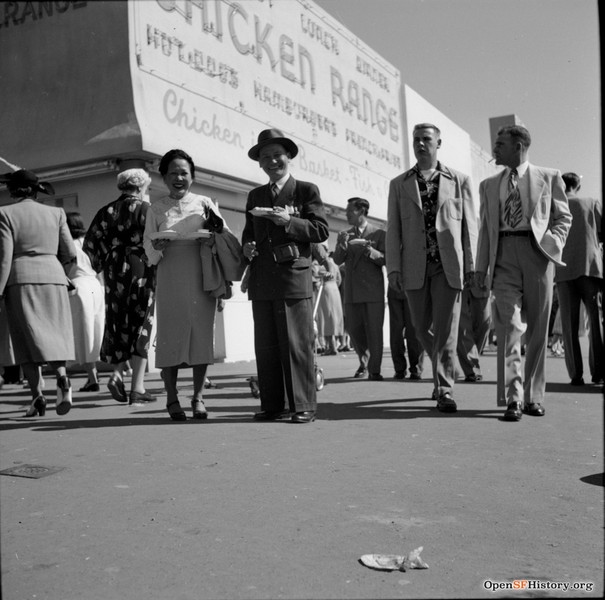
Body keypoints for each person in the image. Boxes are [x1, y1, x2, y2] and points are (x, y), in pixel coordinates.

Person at [475, 125, 572, 421]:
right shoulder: (489, 185)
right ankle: (513, 398)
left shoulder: (550, 176)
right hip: (502, 256)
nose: (495, 149)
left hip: (538, 257)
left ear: (518, 147)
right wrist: (481, 268)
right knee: (508, 329)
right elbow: (484, 231)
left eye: (500, 144)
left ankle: (534, 396)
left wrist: (551, 244)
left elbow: (562, 218)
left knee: (539, 331)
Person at [386, 123, 477, 412]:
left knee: (447, 330)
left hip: (448, 266)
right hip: (414, 266)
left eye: (427, 139)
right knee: (420, 327)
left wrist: (472, 266)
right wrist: (394, 269)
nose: (420, 144)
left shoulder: (459, 180)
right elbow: (394, 231)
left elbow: (470, 228)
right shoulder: (399, 183)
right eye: (416, 139)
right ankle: (441, 377)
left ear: (439, 143)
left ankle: (445, 389)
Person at [242, 128, 329, 423]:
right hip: (262, 278)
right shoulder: (255, 195)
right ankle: (272, 405)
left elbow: (320, 230)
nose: (272, 161)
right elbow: (248, 234)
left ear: (288, 157)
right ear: (260, 163)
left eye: (277, 155)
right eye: (265, 157)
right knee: (266, 345)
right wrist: (247, 246)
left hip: (293, 277)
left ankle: (303, 405)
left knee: (296, 344)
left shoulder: (306, 190)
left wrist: (289, 221)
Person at [144, 149, 226, 421]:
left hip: (202, 273)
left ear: (192, 176)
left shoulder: (205, 203)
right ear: (164, 177)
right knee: (170, 336)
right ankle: (171, 398)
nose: (179, 178)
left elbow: (223, 238)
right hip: (169, 274)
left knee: (202, 335)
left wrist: (211, 239)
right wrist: (157, 246)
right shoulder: (155, 208)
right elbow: (148, 251)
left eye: (184, 173)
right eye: (173, 173)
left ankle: (199, 397)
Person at [0, 169, 76, 417]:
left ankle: (37, 396)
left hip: (20, 278)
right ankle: (62, 378)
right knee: (55, 332)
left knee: (25, 341)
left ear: (13, 191)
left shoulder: (5, 213)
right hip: (53, 276)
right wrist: (62, 272)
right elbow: (70, 253)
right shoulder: (56, 213)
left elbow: (4, 257)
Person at [84, 168, 157, 407]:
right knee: (141, 323)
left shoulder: (106, 212)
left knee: (118, 322)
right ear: (141, 186)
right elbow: (158, 239)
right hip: (141, 269)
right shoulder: (148, 210)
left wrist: (103, 261)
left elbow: (91, 245)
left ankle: (117, 373)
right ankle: (137, 388)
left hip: (115, 271)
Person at [554, 172, 603, 385]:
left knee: (569, 324)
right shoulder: (591, 203)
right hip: (590, 268)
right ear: (578, 185)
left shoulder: (554, 206)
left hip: (563, 272)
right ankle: (599, 371)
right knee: (595, 322)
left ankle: (575, 374)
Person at [333, 197, 386, 380]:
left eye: (350, 211)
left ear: (361, 211)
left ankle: (374, 369)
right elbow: (337, 260)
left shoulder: (379, 234)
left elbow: (386, 260)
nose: (346, 214)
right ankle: (364, 361)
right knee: (354, 330)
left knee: (374, 331)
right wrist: (341, 244)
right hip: (352, 291)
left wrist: (371, 252)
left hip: (373, 290)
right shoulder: (345, 234)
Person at [65, 212, 105, 391]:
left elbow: (66, 269)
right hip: (95, 286)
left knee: (84, 333)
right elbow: (100, 268)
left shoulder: (67, 245)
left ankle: (92, 376)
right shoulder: (90, 244)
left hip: (79, 286)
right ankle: (93, 375)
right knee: (95, 330)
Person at [387, 281, 425, 380]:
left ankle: (416, 368)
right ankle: (399, 368)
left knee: (414, 332)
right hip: (395, 287)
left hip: (414, 287)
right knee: (396, 333)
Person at [456, 284, 491, 382]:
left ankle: (471, 357)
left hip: (480, 279)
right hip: (458, 280)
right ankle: (472, 368)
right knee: (462, 327)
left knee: (484, 325)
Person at [315, 249, 344, 355]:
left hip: (325, 289)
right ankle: (333, 344)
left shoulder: (324, 264)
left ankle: (330, 346)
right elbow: (339, 279)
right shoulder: (335, 264)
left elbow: (318, 275)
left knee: (325, 318)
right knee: (334, 318)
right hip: (335, 289)